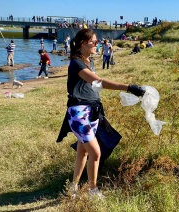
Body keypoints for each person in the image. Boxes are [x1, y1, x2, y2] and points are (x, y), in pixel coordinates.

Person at [57, 28, 145, 198]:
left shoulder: (87, 61)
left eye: (97, 42)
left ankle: (73, 187)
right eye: (94, 42)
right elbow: (99, 82)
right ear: (83, 43)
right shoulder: (77, 63)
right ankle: (92, 190)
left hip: (92, 112)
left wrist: (119, 92)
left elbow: (94, 87)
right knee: (95, 153)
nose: (97, 45)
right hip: (79, 114)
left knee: (83, 151)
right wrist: (128, 87)